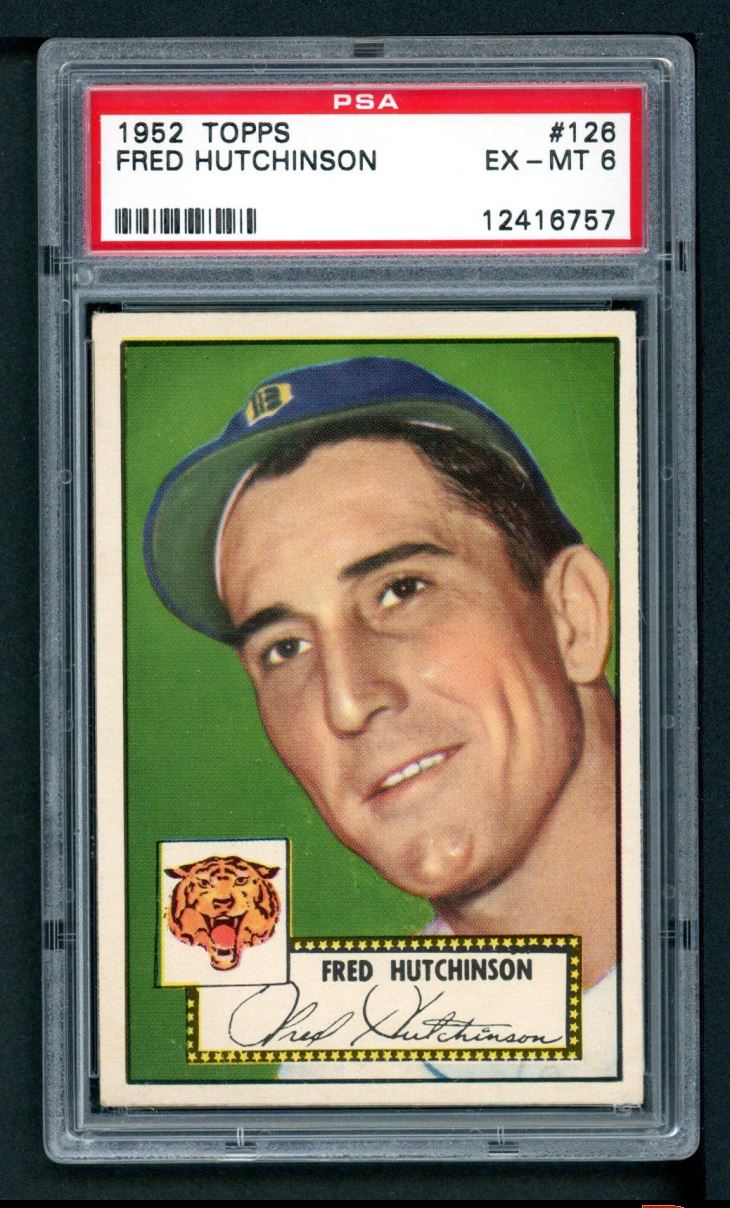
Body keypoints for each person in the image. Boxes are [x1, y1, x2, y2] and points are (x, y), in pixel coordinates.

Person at [144, 356, 618, 1076]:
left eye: (400, 590)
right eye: (285, 648)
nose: (345, 702)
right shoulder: (338, 1069)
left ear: (571, 616)